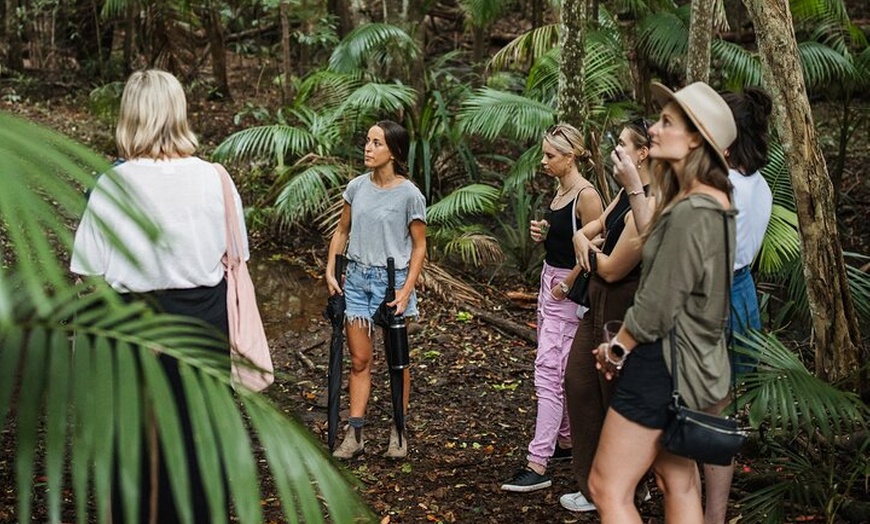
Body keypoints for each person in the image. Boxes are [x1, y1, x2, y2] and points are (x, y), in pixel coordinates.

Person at [70, 69, 244, 523]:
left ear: (130, 116)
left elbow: (88, 274)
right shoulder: (217, 180)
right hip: (203, 327)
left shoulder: (112, 184)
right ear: (178, 113)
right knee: (199, 441)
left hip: (132, 330)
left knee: (134, 445)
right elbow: (236, 256)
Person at [586, 81, 738, 523]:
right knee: (678, 479)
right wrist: (636, 187)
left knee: (607, 486)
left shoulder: (694, 212)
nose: (654, 128)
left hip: (664, 361)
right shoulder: (712, 203)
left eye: (667, 122)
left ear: (696, 138)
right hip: (697, 364)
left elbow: (658, 303)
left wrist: (619, 347)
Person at [501, 123, 603, 492]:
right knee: (553, 368)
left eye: (550, 155)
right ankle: (564, 442)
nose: (543, 161)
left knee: (548, 373)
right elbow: (567, 238)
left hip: (567, 291)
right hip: (550, 283)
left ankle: (537, 463)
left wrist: (569, 281)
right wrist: (543, 233)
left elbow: (598, 244)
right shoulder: (562, 189)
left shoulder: (587, 194)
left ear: (570, 157)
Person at [559, 119, 655, 512]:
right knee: (578, 383)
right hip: (596, 300)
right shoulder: (621, 194)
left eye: (622, 144)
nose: (615, 150)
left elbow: (615, 267)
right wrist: (583, 240)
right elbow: (589, 231)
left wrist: (588, 250)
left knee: (614, 396)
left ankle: (629, 485)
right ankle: (592, 482)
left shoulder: (648, 202)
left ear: (643, 153)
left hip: (623, 306)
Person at [325, 120, 426, 460]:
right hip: (355, 281)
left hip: (392, 282)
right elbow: (341, 231)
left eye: (377, 143)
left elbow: (419, 246)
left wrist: (406, 289)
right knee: (359, 360)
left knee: (398, 362)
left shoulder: (410, 195)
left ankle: (399, 430)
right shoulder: (356, 187)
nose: (368, 148)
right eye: (367, 141)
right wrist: (330, 268)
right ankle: (355, 435)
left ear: (394, 151)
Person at [703, 87, 773, 524]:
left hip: (717, 294)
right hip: (741, 289)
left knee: (709, 413)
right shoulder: (760, 185)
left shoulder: (725, 186)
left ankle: (706, 511)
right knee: (719, 410)